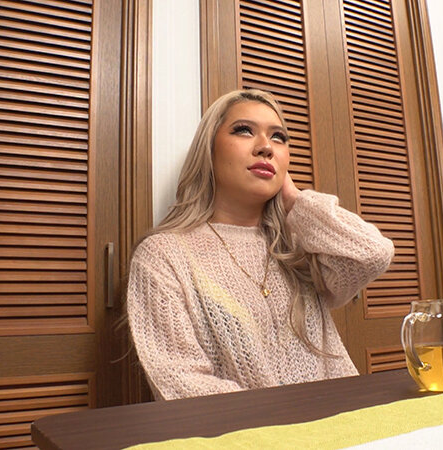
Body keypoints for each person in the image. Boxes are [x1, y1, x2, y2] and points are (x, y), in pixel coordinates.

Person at [127, 89, 394, 400]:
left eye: (278, 137)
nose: (266, 147)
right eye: (244, 130)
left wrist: (295, 201)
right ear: (209, 149)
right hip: (255, 430)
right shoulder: (164, 256)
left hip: (346, 420)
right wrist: (287, 417)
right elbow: (181, 383)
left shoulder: (300, 247)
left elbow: (372, 254)